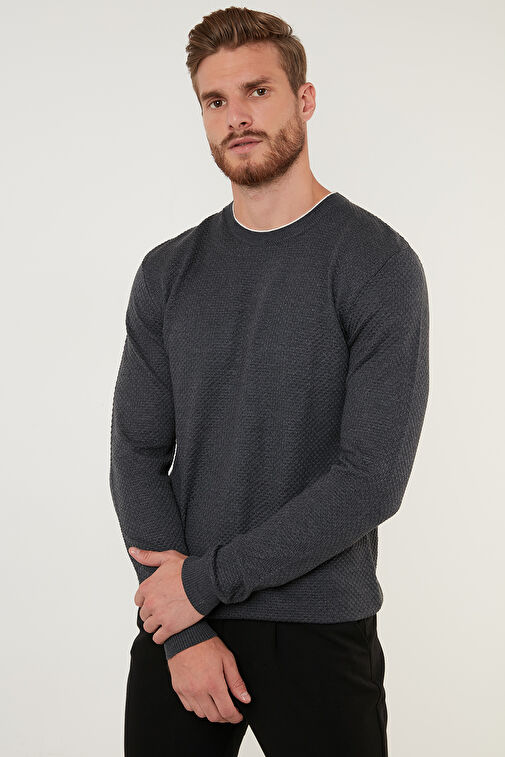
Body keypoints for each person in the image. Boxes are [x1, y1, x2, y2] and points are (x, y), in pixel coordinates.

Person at [109, 6, 430, 756]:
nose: (237, 117)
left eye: (258, 91)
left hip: (317, 623)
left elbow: (370, 480)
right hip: (185, 627)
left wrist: (202, 582)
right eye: (215, 101)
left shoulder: (376, 263)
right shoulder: (168, 272)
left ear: (304, 99)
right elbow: (135, 456)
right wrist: (184, 627)